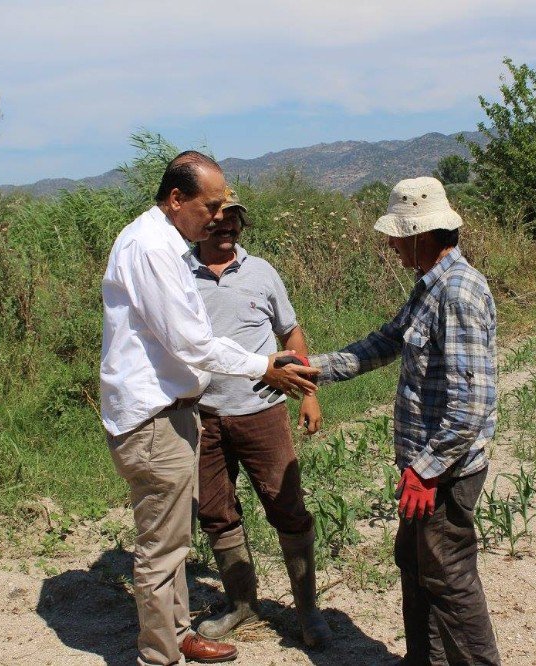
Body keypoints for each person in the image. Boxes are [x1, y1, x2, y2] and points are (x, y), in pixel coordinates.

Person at [100, 150, 319, 666]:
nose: (218, 216)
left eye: (227, 208)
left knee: (183, 537)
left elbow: (281, 329)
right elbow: (192, 345)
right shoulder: (155, 250)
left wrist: (297, 382)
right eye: (211, 204)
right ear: (177, 200)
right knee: (166, 546)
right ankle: (162, 655)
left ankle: (178, 634)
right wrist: (265, 367)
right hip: (158, 418)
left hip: (190, 412)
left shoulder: (174, 248)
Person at [307, 177, 502, 665]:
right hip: (426, 468)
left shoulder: (457, 293)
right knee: (418, 566)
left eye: (397, 235)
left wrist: (426, 469)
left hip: (445, 472)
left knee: (449, 576)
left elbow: (470, 405)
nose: (391, 244)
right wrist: (314, 370)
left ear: (420, 234)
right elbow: (384, 342)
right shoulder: (429, 289)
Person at [190, 189, 334, 649]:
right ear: (200, 223)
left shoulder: (261, 272)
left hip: (262, 411)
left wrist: (307, 394)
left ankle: (308, 611)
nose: (227, 226)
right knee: (215, 511)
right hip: (201, 417)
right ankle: (241, 604)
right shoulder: (178, 275)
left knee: (286, 507)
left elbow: (289, 331)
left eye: (235, 220)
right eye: (218, 219)